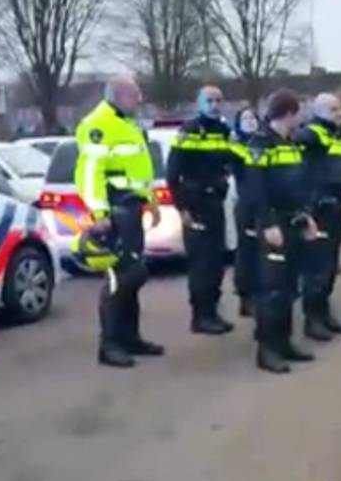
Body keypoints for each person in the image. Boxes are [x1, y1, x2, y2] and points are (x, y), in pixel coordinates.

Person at [74, 76, 165, 368]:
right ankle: (110, 344)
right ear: (121, 95)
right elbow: (90, 173)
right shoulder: (99, 124)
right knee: (119, 277)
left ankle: (130, 337)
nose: (140, 100)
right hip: (116, 210)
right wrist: (100, 215)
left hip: (132, 206)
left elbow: (136, 171)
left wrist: (150, 201)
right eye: (136, 95)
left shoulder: (125, 124)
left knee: (134, 274)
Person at [166, 85, 251, 336]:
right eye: (209, 100)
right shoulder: (190, 131)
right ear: (199, 103)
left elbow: (239, 160)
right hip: (195, 205)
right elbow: (173, 173)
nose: (215, 105)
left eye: (218, 100)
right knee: (201, 263)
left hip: (216, 204)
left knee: (215, 261)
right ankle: (200, 316)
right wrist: (182, 208)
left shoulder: (224, 131)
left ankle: (212, 312)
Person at [247, 90, 316, 374]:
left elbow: (299, 185)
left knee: (288, 288)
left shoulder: (291, 144)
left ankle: (285, 342)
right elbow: (255, 189)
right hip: (273, 222)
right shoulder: (261, 144)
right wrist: (268, 224)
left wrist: (306, 217)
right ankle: (267, 350)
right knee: (272, 290)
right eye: (298, 113)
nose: (300, 119)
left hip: (293, 220)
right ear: (288, 113)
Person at [295, 93, 341, 341]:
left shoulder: (339, 136)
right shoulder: (311, 135)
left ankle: (324, 311)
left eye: (340, 109)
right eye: (332, 109)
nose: (339, 113)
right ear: (318, 111)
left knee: (330, 265)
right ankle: (313, 319)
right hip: (320, 206)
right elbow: (306, 173)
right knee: (317, 267)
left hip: (337, 204)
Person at [233, 105, 263, 317]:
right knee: (247, 252)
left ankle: (260, 293)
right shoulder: (236, 147)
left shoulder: (263, 144)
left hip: (262, 203)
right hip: (246, 204)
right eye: (245, 118)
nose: (250, 121)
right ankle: (246, 296)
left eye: (253, 118)